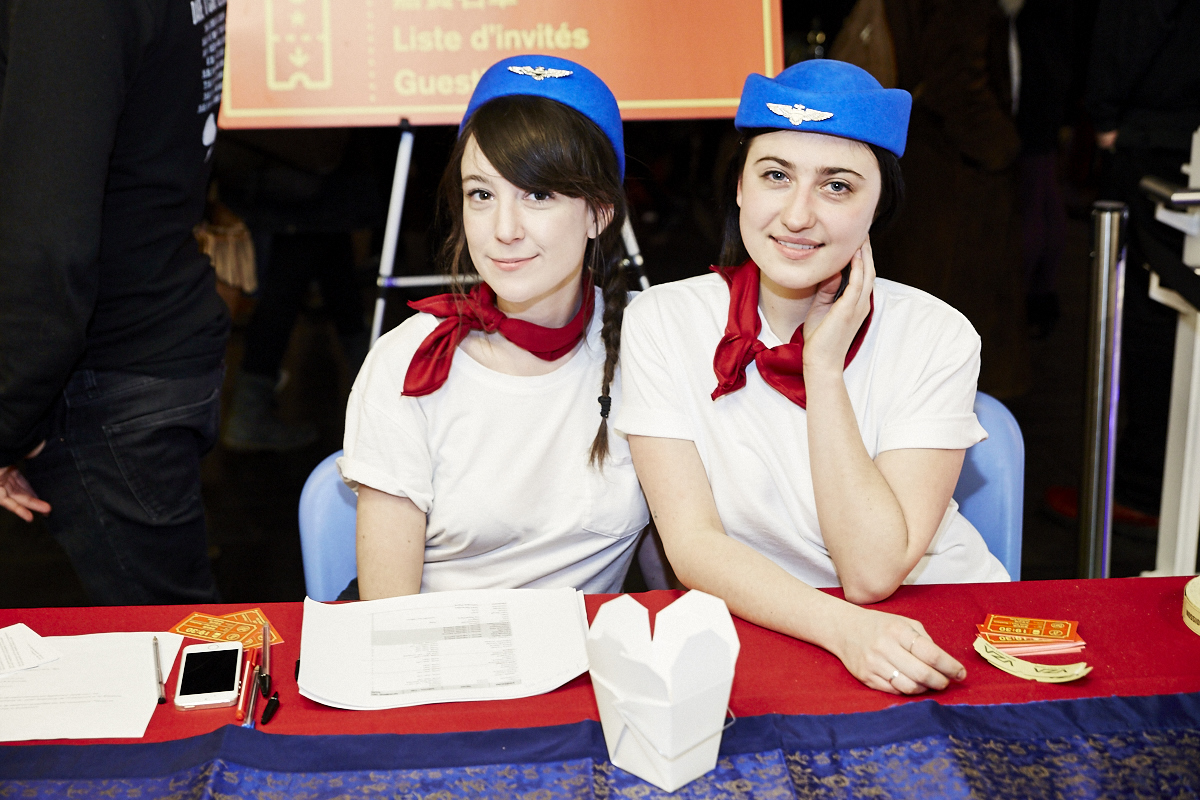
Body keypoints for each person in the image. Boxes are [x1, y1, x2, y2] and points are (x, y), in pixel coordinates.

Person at [615, 60, 1009, 696]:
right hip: (777, 622)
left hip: (933, 618)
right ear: (739, 186)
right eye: (775, 176)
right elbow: (692, 548)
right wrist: (844, 631)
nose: (797, 215)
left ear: (878, 206)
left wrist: (823, 368)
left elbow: (873, 572)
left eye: (837, 187)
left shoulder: (938, 336)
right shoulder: (663, 322)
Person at [338, 55, 649, 598]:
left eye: (538, 194)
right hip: (441, 666)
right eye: (482, 194)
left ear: (599, 213)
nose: (503, 230)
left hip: (587, 669)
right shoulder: (410, 364)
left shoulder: (648, 347)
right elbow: (386, 620)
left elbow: (681, 560)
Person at [0, 0, 230, 604]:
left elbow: (51, 247)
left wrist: (8, 420)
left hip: (103, 372)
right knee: (175, 644)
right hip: (149, 334)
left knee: (172, 655)